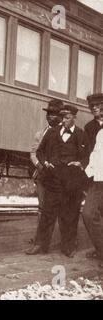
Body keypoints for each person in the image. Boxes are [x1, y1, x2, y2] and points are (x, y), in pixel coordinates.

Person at [26, 105, 88, 257]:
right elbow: (39, 151)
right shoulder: (52, 133)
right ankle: (40, 244)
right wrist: (45, 162)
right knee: (47, 212)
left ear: (74, 118)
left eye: (67, 118)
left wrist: (81, 164)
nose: (64, 121)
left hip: (73, 182)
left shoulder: (81, 134)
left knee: (70, 214)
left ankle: (68, 247)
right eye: (63, 118)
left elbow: (87, 156)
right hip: (53, 179)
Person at [29, 99, 62, 243]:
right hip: (43, 175)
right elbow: (33, 153)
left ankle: (67, 240)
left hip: (59, 177)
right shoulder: (40, 134)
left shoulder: (65, 133)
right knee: (42, 207)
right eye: (48, 113)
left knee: (62, 209)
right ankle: (40, 238)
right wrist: (39, 166)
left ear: (61, 116)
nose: (49, 116)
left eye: (54, 114)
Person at [83, 95, 103, 268]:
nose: (94, 108)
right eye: (92, 106)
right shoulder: (91, 128)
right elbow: (90, 154)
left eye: (98, 105)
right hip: (96, 179)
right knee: (89, 214)